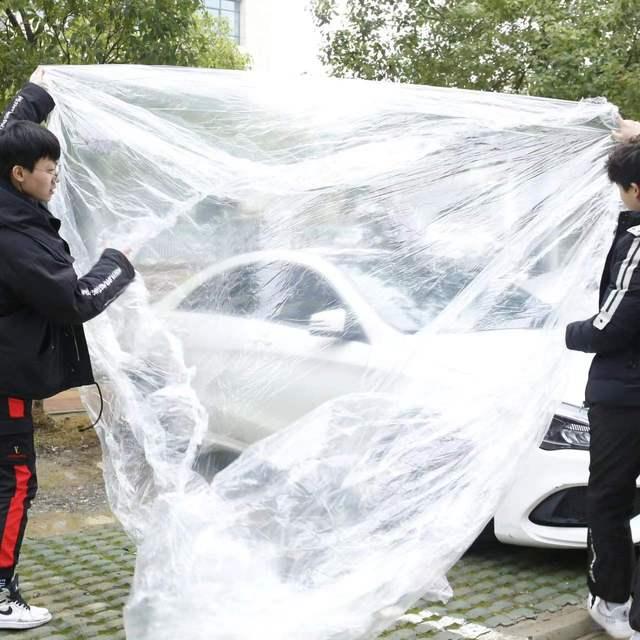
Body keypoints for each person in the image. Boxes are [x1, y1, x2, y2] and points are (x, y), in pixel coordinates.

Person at [0, 79, 135, 629]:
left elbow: (9, 129)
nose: (55, 176)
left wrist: (41, 90)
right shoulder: (14, 237)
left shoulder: (5, 186)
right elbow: (74, 301)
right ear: (19, 175)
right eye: (48, 169)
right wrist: (118, 264)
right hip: (3, 380)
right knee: (16, 479)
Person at [566, 141, 640, 639]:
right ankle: (619, 606)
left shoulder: (638, 241)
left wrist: (565, 329)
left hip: (625, 393)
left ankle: (611, 601)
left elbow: (612, 327)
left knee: (609, 499)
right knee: (614, 499)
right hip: (627, 393)